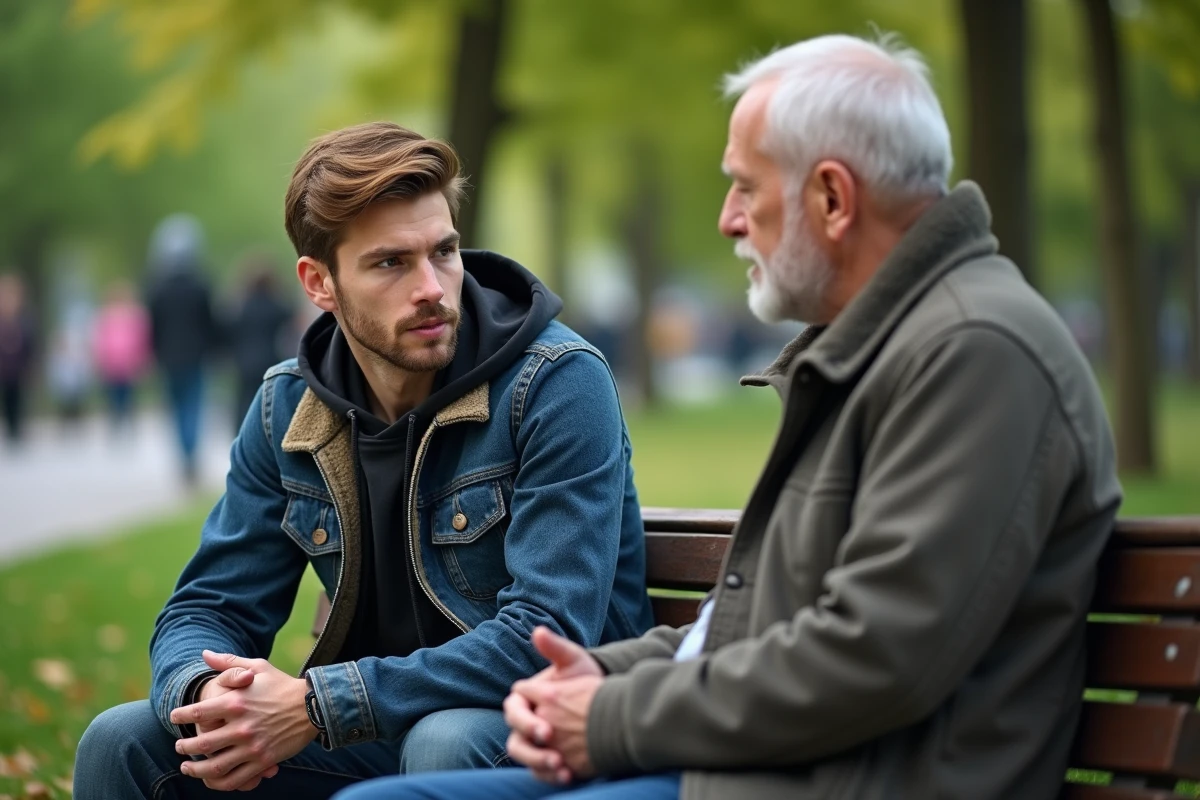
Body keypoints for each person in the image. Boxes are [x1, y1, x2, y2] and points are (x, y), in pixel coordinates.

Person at [335, 32, 1123, 800]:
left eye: (746, 187)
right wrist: (602, 675)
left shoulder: (973, 354)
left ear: (832, 198)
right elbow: (753, 629)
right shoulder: (886, 350)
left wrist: (610, 717)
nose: (728, 219)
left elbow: (874, 660)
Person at [74, 122, 654, 798]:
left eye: (444, 252)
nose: (434, 288)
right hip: (375, 731)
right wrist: (212, 694)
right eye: (391, 263)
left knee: (446, 743)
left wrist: (314, 704)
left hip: (545, 724)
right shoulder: (287, 406)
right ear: (319, 282)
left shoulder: (554, 382)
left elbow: (544, 634)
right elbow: (207, 605)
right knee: (123, 744)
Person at [145, 214, 218, 484]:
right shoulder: (200, 284)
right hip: (196, 356)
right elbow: (210, 322)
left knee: (176, 408)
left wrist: (153, 353)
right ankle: (190, 456)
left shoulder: (156, 287)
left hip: (168, 358)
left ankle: (184, 456)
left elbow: (152, 326)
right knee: (193, 406)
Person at [227, 257, 295, 429]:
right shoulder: (277, 305)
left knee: (244, 401)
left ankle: (242, 431)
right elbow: (292, 320)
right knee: (269, 398)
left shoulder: (242, 306)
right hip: (270, 358)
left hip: (245, 360)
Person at [92, 281, 152, 435]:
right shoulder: (105, 315)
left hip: (129, 362)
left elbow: (142, 338)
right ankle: (117, 420)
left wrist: (142, 359)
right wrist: (100, 358)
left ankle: (126, 420)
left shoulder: (135, 315)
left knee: (128, 394)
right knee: (114, 394)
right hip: (111, 363)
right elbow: (100, 339)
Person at [0, 273, 36, 446]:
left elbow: (30, 342)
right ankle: (10, 427)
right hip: (3, 366)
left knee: (18, 397)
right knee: (7, 398)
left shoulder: (24, 318)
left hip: (18, 366)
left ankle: (17, 427)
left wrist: (29, 363)